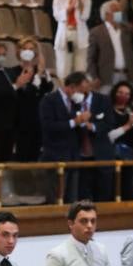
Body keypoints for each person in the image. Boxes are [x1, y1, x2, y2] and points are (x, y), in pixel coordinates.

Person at [39, 70, 91, 203]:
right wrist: (75, 121)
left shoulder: (76, 103)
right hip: (55, 155)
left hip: (73, 157)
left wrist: (84, 123)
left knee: (72, 200)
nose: (83, 95)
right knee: (56, 199)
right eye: (81, 90)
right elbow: (48, 126)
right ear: (72, 86)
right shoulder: (49, 100)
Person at [10, 37, 54, 162]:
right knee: (23, 155)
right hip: (21, 119)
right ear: (19, 52)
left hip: (37, 118)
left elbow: (48, 88)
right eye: (25, 49)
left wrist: (41, 72)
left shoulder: (39, 72)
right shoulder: (14, 72)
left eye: (31, 49)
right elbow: (27, 93)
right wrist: (34, 80)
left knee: (35, 154)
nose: (28, 52)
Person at [86, 0, 133, 93]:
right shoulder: (96, 32)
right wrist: (94, 77)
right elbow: (91, 58)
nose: (119, 14)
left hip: (126, 75)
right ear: (106, 15)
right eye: (116, 11)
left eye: (120, 11)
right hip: (106, 77)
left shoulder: (126, 30)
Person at [53, 0, 92, 80]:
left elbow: (85, 16)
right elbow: (57, 16)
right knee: (64, 70)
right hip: (64, 36)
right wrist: (70, 6)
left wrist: (79, 0)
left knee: (81, 70)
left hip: (80, 36)